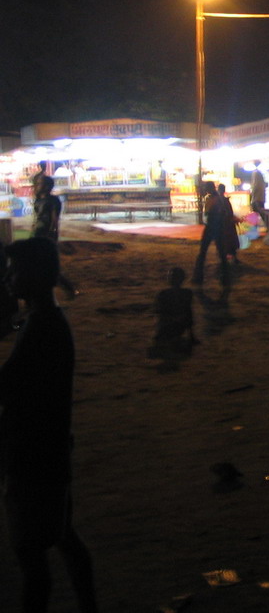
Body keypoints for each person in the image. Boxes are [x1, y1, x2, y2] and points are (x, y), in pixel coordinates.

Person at [0, 237, 98, 613]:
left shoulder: (41, 328)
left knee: (32, 557)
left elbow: (7, 386)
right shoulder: (43, 322)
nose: (8, 278)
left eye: (14, 271)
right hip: (50, 449)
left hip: (33, 455)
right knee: (62, 534)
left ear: (35, 276)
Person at [31, 176, 78, 299]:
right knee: (40, 265)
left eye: (39, 183)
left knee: (48, 265)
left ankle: (69, 288)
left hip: (47, 235)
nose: (36, 186)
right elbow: (37, 218)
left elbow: (54, 220)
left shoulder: (53, 201)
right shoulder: (38, 200)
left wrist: (52, 235)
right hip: (38, 234)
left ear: (47, 186)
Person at [152, 267, 197, 354]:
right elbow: (189, 313)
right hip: (179, 326)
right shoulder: (187, 293)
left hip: (166, 326)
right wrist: (191, 335)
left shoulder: (162, 294)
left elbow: (159, 314)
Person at [192, 181, 229, 285]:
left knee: (203, 251)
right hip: (218, 227)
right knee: (221, 253)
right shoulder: (218, 198)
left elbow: (208, 213)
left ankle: (198, 276)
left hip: (212, 226)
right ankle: (225, 276)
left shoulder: (213, 199)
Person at [217, 183, 241, 265]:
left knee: (224, 242)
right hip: (228, 223)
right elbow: (230, 212)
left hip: (224, 224)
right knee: (230, 241)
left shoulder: (219, 200)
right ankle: (232, 258)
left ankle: (225, 259)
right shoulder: (224, 200)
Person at [249, 160, 269, 234]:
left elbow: (255, 186)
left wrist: (252, 196)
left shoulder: (255, 173)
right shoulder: (260, 174)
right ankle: (268, 227)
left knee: (257, 213)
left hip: (256, 198)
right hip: (260, 197)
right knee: (261, 213)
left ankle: (255, 230)